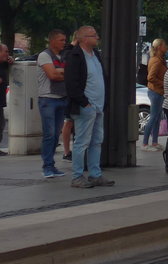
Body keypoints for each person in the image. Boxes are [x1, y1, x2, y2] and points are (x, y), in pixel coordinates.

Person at [64, 25, 114, 189]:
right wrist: (84, 102)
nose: (97, 37)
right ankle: (77, 176)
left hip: (98, 106)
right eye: (94, 35)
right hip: (86, 106)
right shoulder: (75, 56)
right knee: (82, 142)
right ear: (84, 38)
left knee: (96, 141)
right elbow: (72, 84)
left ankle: (95, 174)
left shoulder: (95, 55)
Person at [37, 29, 68, 178]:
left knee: (56, 135)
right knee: (49, 134)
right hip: (48, 98)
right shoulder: (45, 55)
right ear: (53, 41)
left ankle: (51, 165)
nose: (64, 42)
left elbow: (64, 73)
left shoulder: (61, 57)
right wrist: (63, 72)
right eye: (61, 40)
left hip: (61, 97)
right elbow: (53, 75)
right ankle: (47, 166)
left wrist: (61, 71)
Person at [141, 39, 168, 152]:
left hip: (158, 92)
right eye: (164, 45)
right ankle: (145, 143)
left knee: (157, 118)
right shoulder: (156, 61)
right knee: (153, 117)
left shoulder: (159, 59)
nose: (166, 47)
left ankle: (155, 142)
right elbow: (150, 77)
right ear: (159, 47)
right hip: (156, 92)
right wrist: (164, 84)